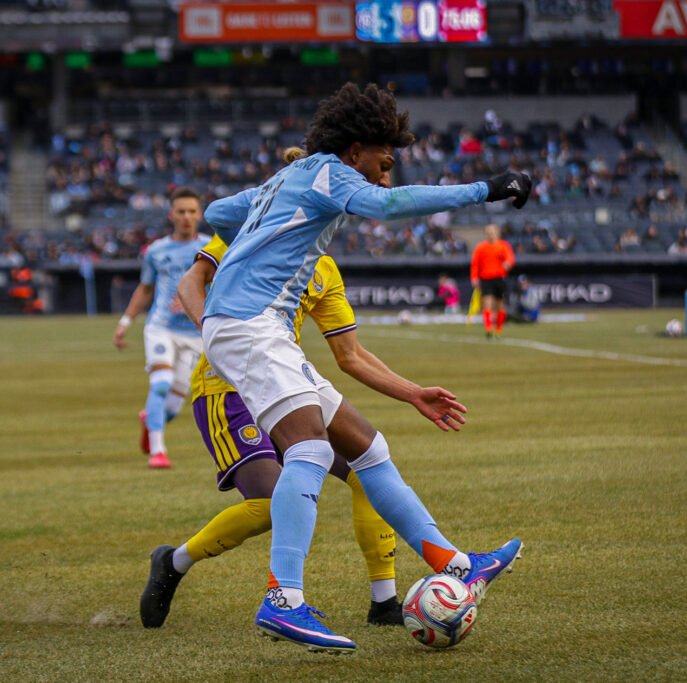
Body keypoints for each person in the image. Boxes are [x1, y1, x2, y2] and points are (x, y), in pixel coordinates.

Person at [200, 83, 529, 654]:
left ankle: (455, 564)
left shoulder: (291, 177)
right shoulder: (329, 173)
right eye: (384, 159)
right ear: (355, 150)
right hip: (251, 325)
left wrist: (253, 245)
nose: (385, 172)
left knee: (368, 447)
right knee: (309, 451)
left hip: (253, 325)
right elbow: (390, 206)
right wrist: (487, 190)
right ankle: (284, 599)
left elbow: (217, 213)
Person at [142, 217, 444, 630]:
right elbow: (190, 282)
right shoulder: (254, 228)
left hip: (286, 386)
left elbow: (350, 354)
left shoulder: (325, 268)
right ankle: (174, 561)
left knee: (365, 471)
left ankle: (384, 602)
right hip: (227, 390)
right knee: (267, 504)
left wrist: (412, 392)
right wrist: (214, 334)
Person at [113, 187, 210, 469]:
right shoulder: (156, 250)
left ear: (199, 214)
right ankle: (158, 451)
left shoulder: (212, 248)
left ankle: (150, 420)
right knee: (161, 384)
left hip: (194, 333)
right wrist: (125, 322)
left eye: (191, 211)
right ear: (171, 215)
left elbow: (221, 286)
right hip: (161, 327)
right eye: (181, 211)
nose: (186, 217)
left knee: (174, 405)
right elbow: (145, 288)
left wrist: (193, 301)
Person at [470, 224, 516, 339]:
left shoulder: (503, 245)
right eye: (488, 232)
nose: (491, 234)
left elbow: (510, 258)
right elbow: (475, 263)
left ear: (497, 233)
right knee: (487, 303)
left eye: (493, 232)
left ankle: (498, 330)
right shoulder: (481, 247)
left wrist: (508, 264)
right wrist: (474, 277)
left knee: (500, 305)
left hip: (499, 278)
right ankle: (488, 329)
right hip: (486, 279)